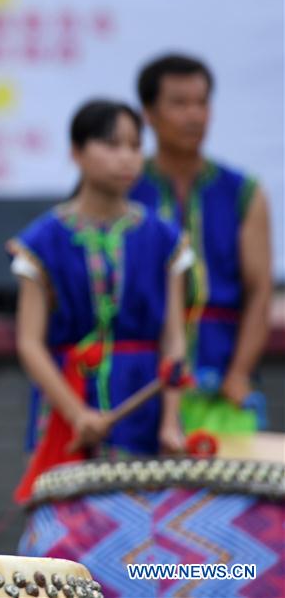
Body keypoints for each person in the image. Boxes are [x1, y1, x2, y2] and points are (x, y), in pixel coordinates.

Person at [9, 100, 190, 501]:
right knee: (65, 534)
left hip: (144, 395)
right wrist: (77, 414)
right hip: (65, 399)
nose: (126, 157)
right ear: (76, 152)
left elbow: (174, 339)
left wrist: (171, 421)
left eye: (133, 145)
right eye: (111, 145)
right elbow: (29, 343)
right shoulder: (42, 242)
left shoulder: (164, 238)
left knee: (145, 527)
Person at [130, 54, 272, 434]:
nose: (194, 116)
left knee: (233, 489)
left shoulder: (243, 192)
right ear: (149, 113)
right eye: (179, 103)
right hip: (140, 382)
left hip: (221, 377)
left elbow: (260, 292)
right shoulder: (126, 190)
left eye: (202, 102)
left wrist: (239, 374)